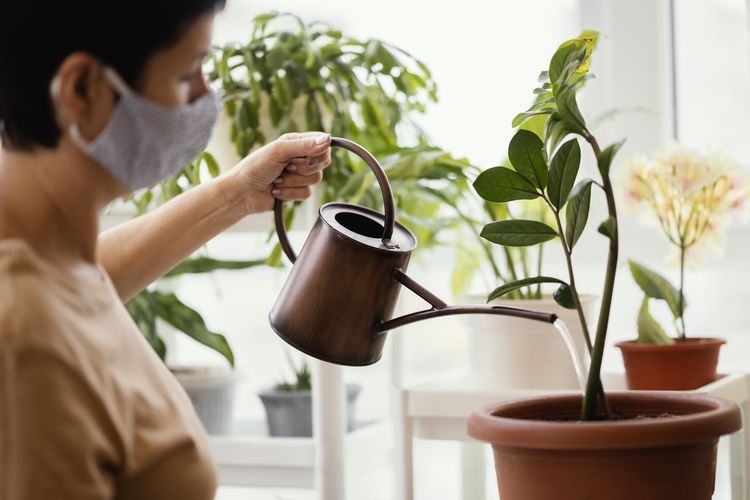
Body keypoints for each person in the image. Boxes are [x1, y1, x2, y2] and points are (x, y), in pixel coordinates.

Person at [0, 1, 331, 498]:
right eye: (188, 73)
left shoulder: (52, 267)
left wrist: (235, 195)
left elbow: (83, 291)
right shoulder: (27, 342)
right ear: (82, 89)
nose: (206, 97)